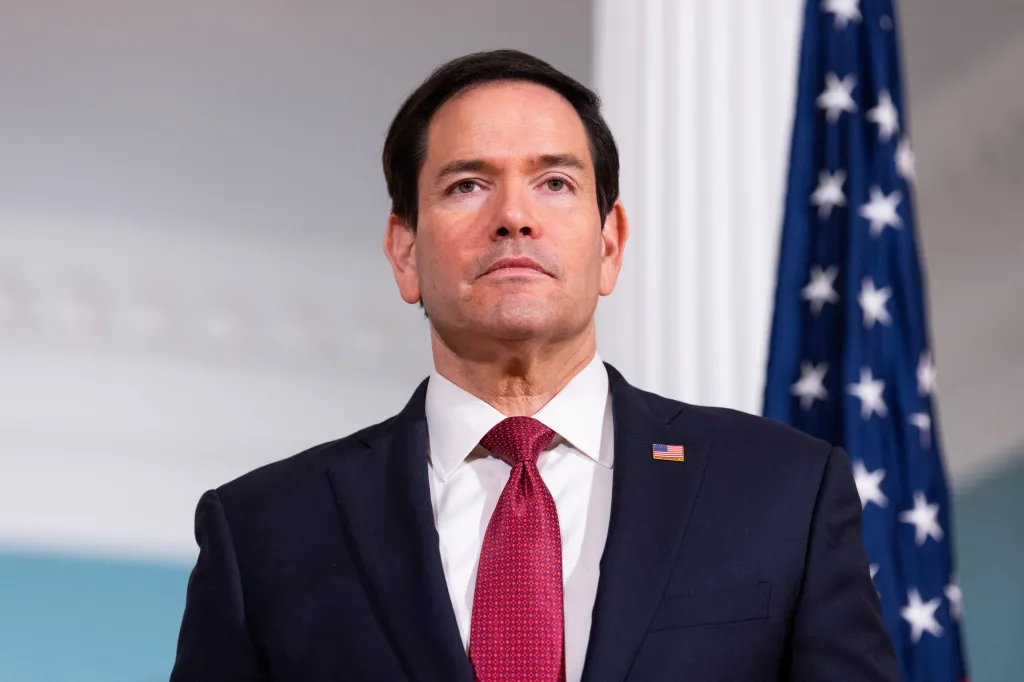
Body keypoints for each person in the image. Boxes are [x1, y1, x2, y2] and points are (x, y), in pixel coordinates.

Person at [170, 49, 898, 682]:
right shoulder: (262, 531)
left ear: (610, 244)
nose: (514, 215)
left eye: (555, 182)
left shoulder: (784, 491)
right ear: (405, 253)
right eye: (467, 185)